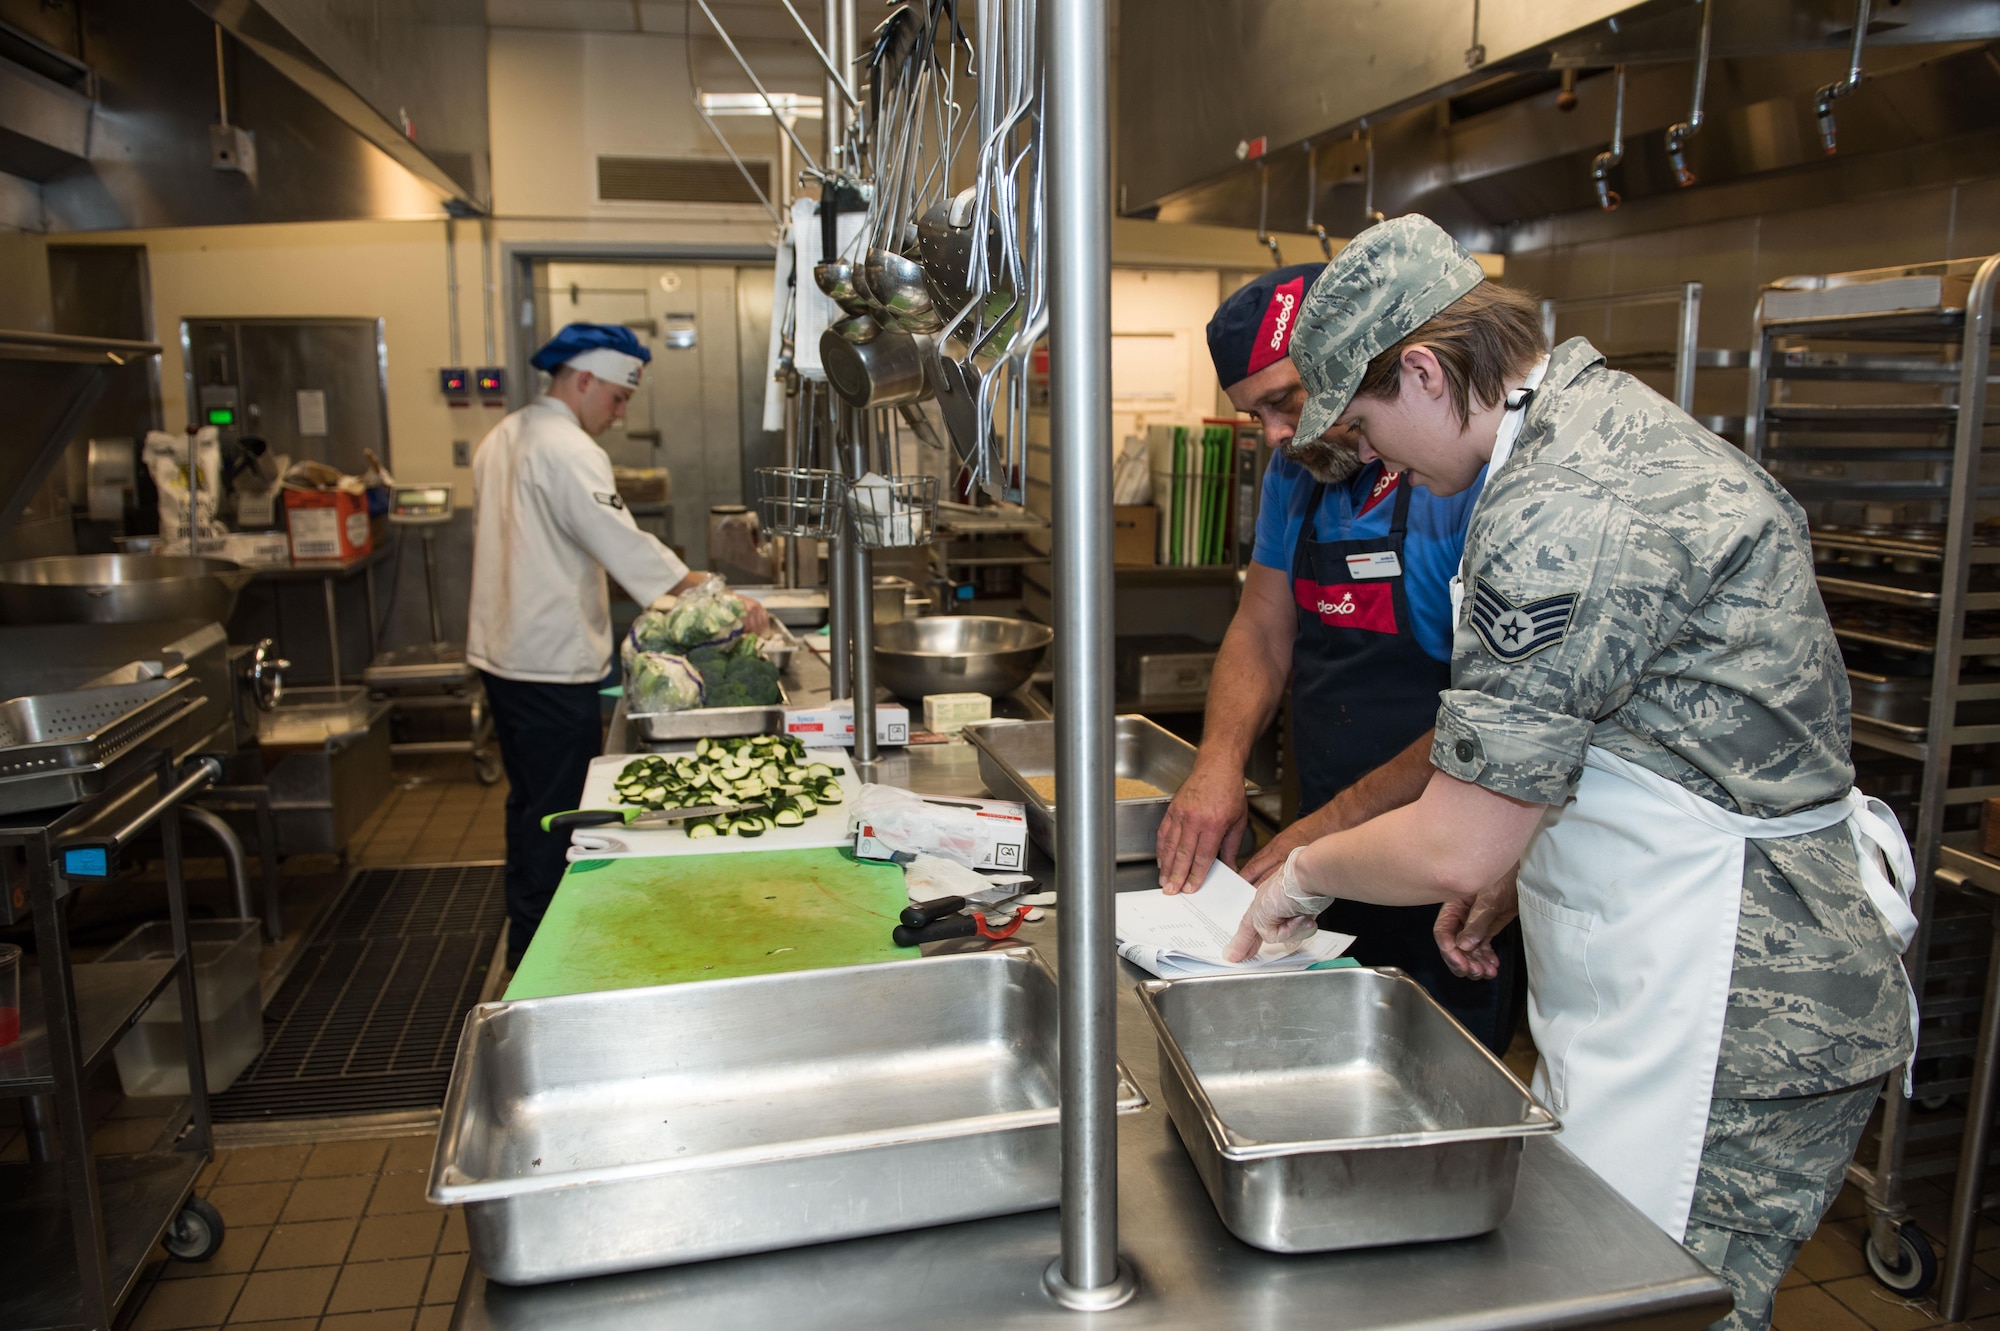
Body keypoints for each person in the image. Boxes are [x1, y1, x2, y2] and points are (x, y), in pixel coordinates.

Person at [1224, 216, 1917, 1331]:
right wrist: (1515, 863)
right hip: (1667, 952)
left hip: (1734, 996)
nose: (1375, 460)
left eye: (1364, 425)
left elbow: (1454, 835)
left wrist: (1301, 869)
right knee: (1594, 1278)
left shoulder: (1564, 502)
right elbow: (1634, 725)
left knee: (1653, 1306)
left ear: (1421, 368)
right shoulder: (1573, 436)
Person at [1152, 262, 1523, 1053]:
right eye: (1256, 416)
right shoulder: (1303, 471)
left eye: (1287, 402)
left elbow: (1491, 716)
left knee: (1432, 1070)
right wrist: (1220, 760)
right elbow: (1260, 622)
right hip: (1325, 833)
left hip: (1449, 840)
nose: (1276, 435)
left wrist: (1317, 840)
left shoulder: (1463, 471)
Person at [467, 322, 766, 965]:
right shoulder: (567, 448)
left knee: (530, 806)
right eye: (618, 398)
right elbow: (624, 544)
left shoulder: (503, 436)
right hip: (548, 661)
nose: (621, 413)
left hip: (502, 654)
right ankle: (548, 957)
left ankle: (526, 939)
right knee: (558, 818)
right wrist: (716, 593)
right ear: (584, 379)